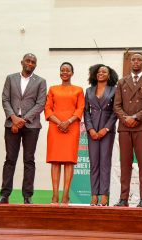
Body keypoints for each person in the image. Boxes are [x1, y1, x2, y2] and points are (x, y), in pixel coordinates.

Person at [0, 53, 47, 204]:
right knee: (10, 159)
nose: (30, 63)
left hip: (31, 125)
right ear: (22, 62)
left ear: (35, 65)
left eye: (33, 62)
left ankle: (27, 196)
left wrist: (23, 120)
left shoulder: (41, 81)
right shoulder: (10, 78)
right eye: (28, 61)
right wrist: (14, 118)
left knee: (29, 160)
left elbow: (40, 103)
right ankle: (4, 195)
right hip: (11, 124)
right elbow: (5, 99)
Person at [113, 53, 142, 208]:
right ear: (130, 62)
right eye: (133, 59)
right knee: (125, 163)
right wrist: (126, 118)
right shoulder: (121, 82)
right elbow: (116, 106)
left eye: (139, 59)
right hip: (125, 127)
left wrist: (136, 117)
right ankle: (123, 198)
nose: (136, 62)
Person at [45, 62, 85, 205]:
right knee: (55, 161)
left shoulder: (79, 90)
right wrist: (59, 122)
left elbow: (80, 109)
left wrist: (67, 122)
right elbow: (48, 109)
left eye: (68, 70)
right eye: (62, 70)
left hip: (72, 127)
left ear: (72, 73)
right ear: (60, 73)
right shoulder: (53, 89)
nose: (65, 72)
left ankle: (65, 196)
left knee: (69, 161)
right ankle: (55, 195)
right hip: (55, 128)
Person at [84, 64, 118, 206]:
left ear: (109, 75)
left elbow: (116, 112)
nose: (101, 73)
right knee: (94, 163)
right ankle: (94, 195)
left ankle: (104, 195)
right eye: (99, 72)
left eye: (104, 72)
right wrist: (91, 129)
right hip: (92, 132)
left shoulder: (114, 90)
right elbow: (86, 112)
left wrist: (106, 129)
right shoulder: (89, 90)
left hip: (106, 131)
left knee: (105, 162)